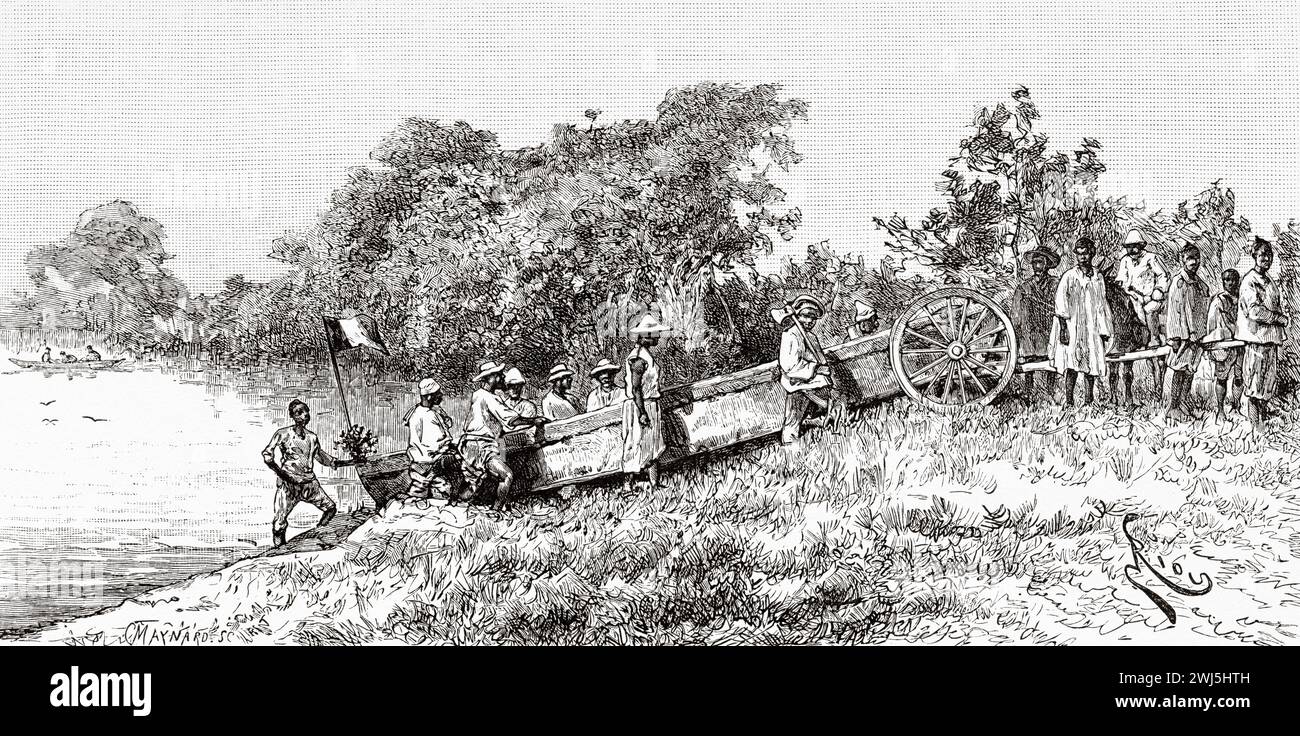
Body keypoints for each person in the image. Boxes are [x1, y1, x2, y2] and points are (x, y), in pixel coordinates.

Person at [261, 399, 352, 546]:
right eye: (299, 412)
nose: (305, 415)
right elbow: (267, 454)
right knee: (279, 523)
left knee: (330, 509)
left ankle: (319, 533)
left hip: (309, 484)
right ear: (292, 415)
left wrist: (346, 462)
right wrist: (280, 473)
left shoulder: (312, 437)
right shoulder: (283, 434)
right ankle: (279, 550)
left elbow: (321, 457)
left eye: (306, 411)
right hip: (288, 485)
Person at [459, 361, 546, 512]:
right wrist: (535, 421)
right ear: (491, 377)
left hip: (473, 444)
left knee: (477, 480)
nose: (502, 378)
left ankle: (464, 505)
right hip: (482, 445)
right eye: (499, 375)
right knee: (507, 475)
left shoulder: (478, 395)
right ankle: (496, 511)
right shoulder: (491, 398)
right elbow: (511, 420)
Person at [1050, 237, 1112, 407]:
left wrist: (1104, 329)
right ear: (1076, 255)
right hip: (1073, 325)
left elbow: (1101, 303)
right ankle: (1069, 402)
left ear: (1092, 254)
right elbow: (1061, 303)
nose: (1083, 257)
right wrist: (1063, 328)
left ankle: (1089, 400)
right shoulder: (1069, 276)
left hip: (1091, 326)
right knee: (1071, 364)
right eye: (1079, 254)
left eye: (1086, 254)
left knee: (1090, 364)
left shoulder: (1098, 277)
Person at [1237, 237, 1288, 431]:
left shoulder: (1269, 281)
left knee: (1267, 383)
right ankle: (1255, 426)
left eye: (1269, 255)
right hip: (1256, 339)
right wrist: (1278, 318)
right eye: (1262, 255)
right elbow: (1254, 311)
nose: (1266, 259)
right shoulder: (1250, 280)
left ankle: (1262, 421)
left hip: (1270, 340)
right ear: (1254, 256)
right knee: (1254, 384)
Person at [1163, 244, 1210, 420]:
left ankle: (1183, 403)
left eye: (1196, 258)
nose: (1193, 262)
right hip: (1183, 337)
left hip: (1196, 336)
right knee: (1179, 370)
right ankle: (1173, 406)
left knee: (1190, 370)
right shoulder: (1178, 282)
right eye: (1189, 258)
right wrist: (1175, 336)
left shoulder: (1199, 284)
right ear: (1182, 259)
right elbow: (1174, 311)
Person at [623, 314, 669, 493]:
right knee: (635, 443)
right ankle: (627, 485)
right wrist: (642, 412)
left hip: (650, 402)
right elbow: (636, 388)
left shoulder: (646, 355)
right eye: (654, 334)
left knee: (652, 444)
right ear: (645, 336)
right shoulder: (638, 358)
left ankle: (654, 483)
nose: (657, 337)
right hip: (640, 405)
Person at [778, 295, 832, 444]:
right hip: (797, 385)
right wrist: (814, 369)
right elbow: (789, 366)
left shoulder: (812, 338)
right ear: (797, 315)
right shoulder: (790, 335)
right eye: (805, 316)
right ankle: (790, 445)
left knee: (820, 412)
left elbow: (821, 360)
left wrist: (823, 368)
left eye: (813, 318)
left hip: (815, 384)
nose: (809, 321)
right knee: (793, 421)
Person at [1010, 245, 1061, 397]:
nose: (1037, 266)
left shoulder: (1056, 284)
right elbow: (1016, 314)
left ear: (1047, 265)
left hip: (1049, 332)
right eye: (1035, 263)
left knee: (1051, 362)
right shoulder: (1024, 287)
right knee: (1029, 365)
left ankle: (1050, 392)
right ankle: (1028, 392)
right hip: (1030, 335)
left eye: (1040, 262)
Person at [404, 378, 460, 501]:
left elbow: (446, 426)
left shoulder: (421, 412)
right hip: (429, 463)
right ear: (429, 397)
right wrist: (452, 446)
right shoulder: (428, 415)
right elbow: (436, 444)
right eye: (437, 394)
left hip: (419, 463)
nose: (441, 396)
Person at [1116, 229, 1170, 347]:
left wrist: (1159, 290)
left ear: (1140, 245)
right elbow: (1121, 279)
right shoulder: (1125, 260)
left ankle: (1154, 337)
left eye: (1134, 246)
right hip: (1132, 296)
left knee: (1150, 310)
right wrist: (1124, 289)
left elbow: (1163, 275)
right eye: (1129, 247)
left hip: (1150, 297)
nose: (1132, 250)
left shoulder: (1151, 258)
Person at [1204, 268, 1244, 421]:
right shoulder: (1218, 300)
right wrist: (1213, 344)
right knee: (1222, 377)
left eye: (1233, 279)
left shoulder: (1242, 298)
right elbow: (1212, 325)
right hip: (1224, 344)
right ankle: (1220, 410)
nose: (1231, 283)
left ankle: (1236, 406)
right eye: (1227, 280)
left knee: (1239, 376)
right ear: (1223, 282)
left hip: (1240, 343)